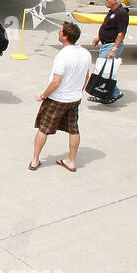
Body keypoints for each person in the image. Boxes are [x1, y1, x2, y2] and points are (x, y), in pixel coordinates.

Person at [30, 21, 91, 171]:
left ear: (64, 36)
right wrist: (78, 91)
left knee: (43, 128)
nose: (58, 33)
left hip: (58, 99)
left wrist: (43, 96)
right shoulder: (85, 53)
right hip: (74, 99)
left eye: (60, 31)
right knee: (74, 129)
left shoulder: (62, 56)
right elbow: (86, 76)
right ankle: (71, 160)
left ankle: (35, 160)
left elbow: (56, 82)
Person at [91, 0, 129, 102]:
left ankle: (115, 93)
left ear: (115, 1)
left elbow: (121, 33)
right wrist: (99, 37)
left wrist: (114, 49)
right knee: (104, 71)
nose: (105, 1)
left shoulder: (121, 14)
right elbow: (108, 26)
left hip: (111, 46)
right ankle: (108, 93)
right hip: (106, 44)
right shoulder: (112, 11)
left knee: (104, 71)